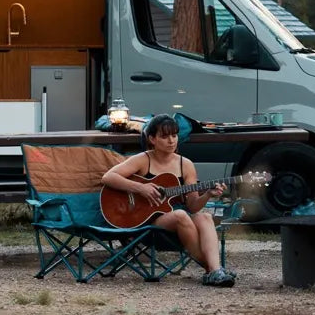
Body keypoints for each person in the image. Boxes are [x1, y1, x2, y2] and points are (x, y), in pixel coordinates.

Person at [101, 114, 236, 287]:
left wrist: (208, 194)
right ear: (152, 139)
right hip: (147, 221)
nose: (171, 141)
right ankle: (213, 270)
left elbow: (193, 206)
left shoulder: (185, 164)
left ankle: (215, 270)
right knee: (180, 215)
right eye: (164, 137)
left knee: (205, 217)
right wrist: (141, 188)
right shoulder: (143, 159)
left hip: (177, 219)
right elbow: (108, 177)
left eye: (174, 135)